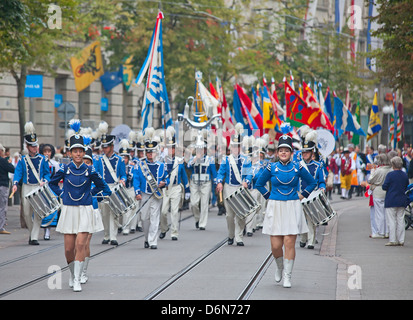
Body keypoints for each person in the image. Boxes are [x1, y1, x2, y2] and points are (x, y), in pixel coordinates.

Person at [49, 132, 111, 292]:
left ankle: (77, 279)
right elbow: (52, 184)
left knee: (81, 244)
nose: (78, 154)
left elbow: (105, 188)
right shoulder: (64, 169)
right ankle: (72, 274)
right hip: (69, 210)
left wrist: (90, 194)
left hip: (85, 210)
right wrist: (61, 194)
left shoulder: (89, 170)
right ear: (70, 153)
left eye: (80, 151)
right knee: (69, 249)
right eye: (75, 151)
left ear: (84, 153)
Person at [255, 134, 316, 288]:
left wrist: (302, 195)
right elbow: (259, 184)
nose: (283, 152)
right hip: (275, 206)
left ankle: (288, 276)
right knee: (275, 246)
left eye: (286, 150)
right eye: (281, 150)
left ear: (291, 153)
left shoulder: (298, 167)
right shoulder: (271, 167)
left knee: (289, 242)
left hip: (292, 206)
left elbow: (312, 182)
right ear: (277, 152)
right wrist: (270, 197)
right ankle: (280, 267)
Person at [12, 122, 51, 245]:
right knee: (27, 213)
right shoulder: (23, 160)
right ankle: (31, 232)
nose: (35, 148)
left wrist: (45, 181)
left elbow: (47, 173)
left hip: (38, 188)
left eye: (36, 146)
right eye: (32, 146)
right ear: (27, 147)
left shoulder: (43, 159)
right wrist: (15, 183)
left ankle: (34, 237)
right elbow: (18, 172)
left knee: (38, 212)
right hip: (27, 187)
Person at [216, 123, 252, 247]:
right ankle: (231, 235)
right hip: (229, 188)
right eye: (234, 146)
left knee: (241, 214)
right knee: (229, 215)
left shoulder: (246, 159)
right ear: (231, 147)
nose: (236, 148)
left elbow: (249, 174)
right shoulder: (226, 159)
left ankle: (239, 237)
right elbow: (220, 173)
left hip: (241, 189)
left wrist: (246, 182)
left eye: (238, 146)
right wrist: (219, 182)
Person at [133, 127, 168, 249]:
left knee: (155, 217)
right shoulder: (140, 165)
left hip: (156, 195)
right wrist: (137, 192)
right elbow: (136, 179)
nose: (150, 154)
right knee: (144, 218)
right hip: (144, 194)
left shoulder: (161, 165)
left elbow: (166, 178)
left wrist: (164, 183)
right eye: (148, 152)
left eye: (152, 151)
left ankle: (153, 241)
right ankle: (147, 237)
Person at [93, 121, 127, 246]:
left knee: (114, 213)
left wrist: (123, 179)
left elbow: (123, 174)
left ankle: (113, 237)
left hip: (114, 187)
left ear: (112, 146)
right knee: (104, 214)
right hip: (102, 188)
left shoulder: (119, 160)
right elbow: (95, 174)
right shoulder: (99, 159)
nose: (104, 149)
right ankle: (106, 235)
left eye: (106, 147)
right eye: (103, 147)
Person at [80, 145, 106, 285]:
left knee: (85, 242)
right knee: (75, 244)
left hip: (91, 208)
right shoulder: (73, 172)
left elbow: (104, 187)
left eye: (88, 162)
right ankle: (76, 271)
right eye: (83, 161)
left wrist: (92, 193)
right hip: (76, 210)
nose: (85, 164)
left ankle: (83, 272)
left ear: (91, 163)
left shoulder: (94, 173)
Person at [160, 127, 190, 240]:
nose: (170, 150)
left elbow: (184, 176)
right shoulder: (163, 160)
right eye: (169, 148)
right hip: (166, 189)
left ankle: (174, 233)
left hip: (176, 188)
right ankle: (163, 229)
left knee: (174, 211)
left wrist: (187, 190)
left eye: (172, 148)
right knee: (163, 212)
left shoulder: (179, 161)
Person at [298, 130, 326, 249]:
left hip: (312, 195)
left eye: (307, 152)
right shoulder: (297, 165)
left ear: (312, 152)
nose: (305, 154)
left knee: (311, 220)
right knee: (301, 219)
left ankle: (311, 241)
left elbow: (321, 181)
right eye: (303, 152)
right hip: (300, 195)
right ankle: (303, 238)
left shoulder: (318, 165)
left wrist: (322, 188)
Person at [187, 130, 217, 232]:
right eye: (198, 149)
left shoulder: (210, 159)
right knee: (194, 203)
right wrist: (194, 160)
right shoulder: (193, 158)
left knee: (204, 204)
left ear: (204, 150)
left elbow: (214, 172)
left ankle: (202, 223)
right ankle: (197, 218)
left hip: (205, 183)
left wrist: (217, 183)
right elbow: (188, 166)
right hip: (194, 183)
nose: (200, 151)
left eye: (202, 149)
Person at [382, 156, 410, 246]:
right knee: (400, 220)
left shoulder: (390, 175)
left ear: (393, 165)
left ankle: (393, 239)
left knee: (391, 220)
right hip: (402, 199)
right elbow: (406, 185)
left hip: (391, 199)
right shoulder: (404, 175)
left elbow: (384, 187)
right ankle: (401, 240)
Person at [367, 153, 391, 239]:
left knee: (379, 213)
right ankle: (387, 231)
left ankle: (380, 232)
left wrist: (372, 171)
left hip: (378, 192)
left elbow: (370, 180)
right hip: (387, 192)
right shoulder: (390, 169)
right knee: (387, 213)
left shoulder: (379, 170)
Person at [0, 144, 15, 234]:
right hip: (2, 184)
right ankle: (1, 227)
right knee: (2, 207)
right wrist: (8, 162)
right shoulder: (3, 161)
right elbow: (12, 169)